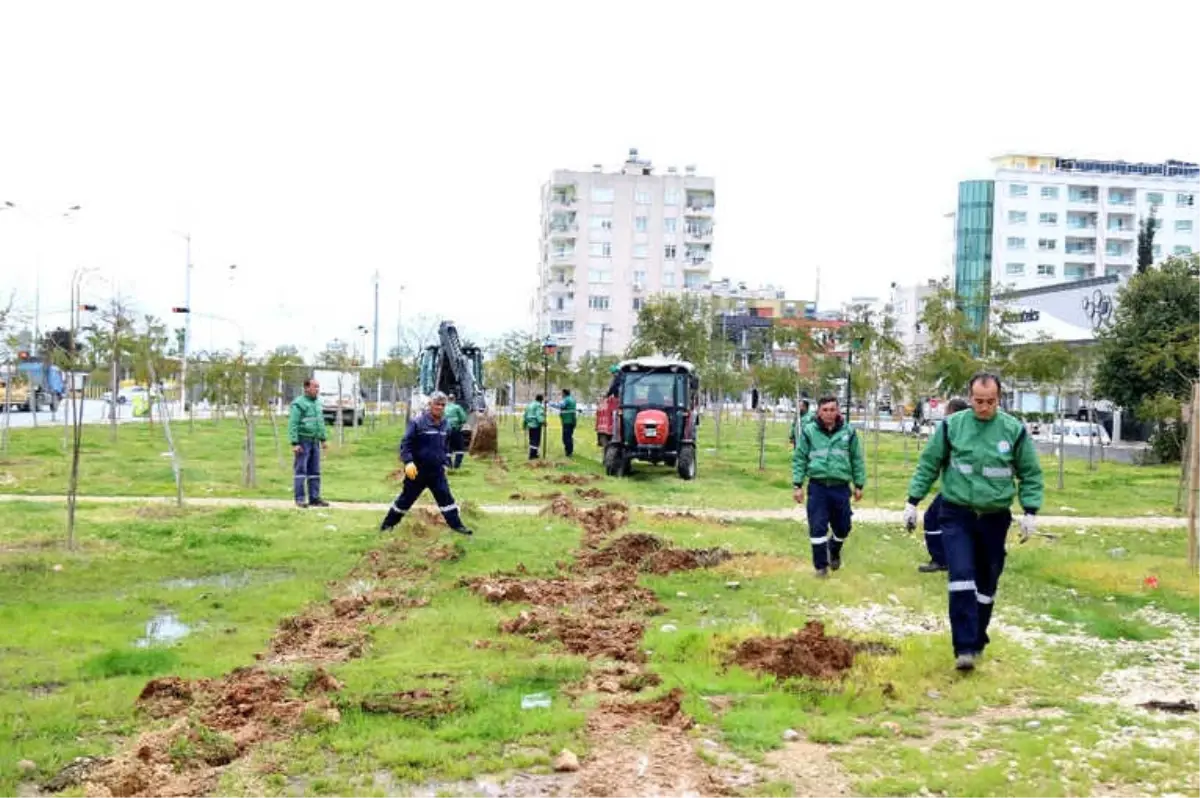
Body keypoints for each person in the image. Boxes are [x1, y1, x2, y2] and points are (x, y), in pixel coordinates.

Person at [903, 373, 1043, 672]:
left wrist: (1030, 511)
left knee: (987, 581)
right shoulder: (952, 427)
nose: (983, 407)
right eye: (978, 401)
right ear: (970, 397)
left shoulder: (1013, 430)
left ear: (999, 399)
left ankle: (977, 637)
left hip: (994, 517)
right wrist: (912, 502)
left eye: (990, 402)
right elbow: (929, 464)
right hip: (957, 513)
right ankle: (963, 647)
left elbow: (1030, 473)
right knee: (961, 575)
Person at [792, 396, 866, 577]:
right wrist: (797, 484)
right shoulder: (809, 431)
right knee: (817, 527)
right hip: (818, 487)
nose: (829, 414)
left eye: (832, 410)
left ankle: (833, 549)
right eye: (825, 410)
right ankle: (821, 567)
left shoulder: (848, 432)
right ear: (818, 412)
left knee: (843, 526)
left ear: (838, 411)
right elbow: (800, 458)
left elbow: (856, 459)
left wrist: (859, 484)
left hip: (840, 488)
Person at [379, 391, 472, 535]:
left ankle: (457, 526)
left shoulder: (445, 424)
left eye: (443, 405)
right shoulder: (417, 422)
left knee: (446, 499)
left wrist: (445, 462)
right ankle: (387, 525)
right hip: (417, 471)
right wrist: (408, 462)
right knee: (405, 500)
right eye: (437, 404)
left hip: (436, 472)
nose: (440, 407)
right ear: (430, 405)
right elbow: (406, 444)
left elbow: (445, 445)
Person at [910, 397, 971, 573]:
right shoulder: (964, 431)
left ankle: (941, 558)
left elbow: (932, 463)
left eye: (947, 412)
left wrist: (913, 501)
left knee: (933, 518)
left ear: (952, 413)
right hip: (961, 489)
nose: (945, 416)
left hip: (955, 489)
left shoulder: (952, 431)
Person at [288, 378, 329, 508]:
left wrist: (323, 439)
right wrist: (295, 443)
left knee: (315, 471)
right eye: (314, 387)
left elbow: (320, 422)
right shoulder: (298, 404)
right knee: (301, 471)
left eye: (318, 387)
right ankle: (300, 499)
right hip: (303, 441)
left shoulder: (317, 403)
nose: (317, 389)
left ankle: (314, 498)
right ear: (306, 388)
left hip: (314, 441)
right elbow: (293, 424)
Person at [445, 393, 469, 469]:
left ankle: (449, 465)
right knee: (460, 448)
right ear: (454, 399)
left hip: (445, 431)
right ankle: (456, 465)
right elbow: (464, 419)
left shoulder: (444, 407)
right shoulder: (457, 407)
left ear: (447, 399)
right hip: (456, 430)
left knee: (447, 448)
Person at [553, 388, 577, 457]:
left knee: (566, 438)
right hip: (572, 420)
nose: (561, 395)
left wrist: (549, 403)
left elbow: (560, 406)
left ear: (564, 393)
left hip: (567, 421)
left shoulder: (566, 400)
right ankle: (569, 451)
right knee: (569, 436)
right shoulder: (572, 399)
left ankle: (568, 452)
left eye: (562, 393)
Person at [523, 394, 546, 459]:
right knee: (536, 440)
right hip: (536, 424)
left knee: (532, 439)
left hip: (530, 424)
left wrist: (524, 425)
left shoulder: (530, 405)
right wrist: (543, 421)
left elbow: (525, 415)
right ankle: (532, 455)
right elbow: (539, 415)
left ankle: (534, 453)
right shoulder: (538, 405)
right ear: (541, 400)